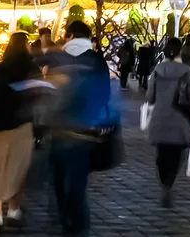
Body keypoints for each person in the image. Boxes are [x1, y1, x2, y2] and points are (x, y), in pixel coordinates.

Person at [44, 18, 115, 234]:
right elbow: (105, 94)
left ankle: (62, 214)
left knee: (57, 175)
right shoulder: (96, 60)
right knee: (77, 179)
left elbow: (46, 91)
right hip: (85, 129)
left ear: (70, 36)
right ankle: (78, 221)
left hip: (58, 127)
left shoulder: (58, 58)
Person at [0, 32, 47, 230]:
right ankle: (14, 211)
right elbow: (37, 101)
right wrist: (39, 130)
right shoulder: (30, 70)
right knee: (18, 171)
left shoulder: (1, 71)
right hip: (21, 128)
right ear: (25, 45)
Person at [145, 37, 190, 207]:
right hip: (180, 119)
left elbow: (150, 97)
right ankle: (169, 184)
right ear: (179, 52)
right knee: (177, 155)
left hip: (159, 119)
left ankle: (164, 184)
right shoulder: (185, 72)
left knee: (162, 155)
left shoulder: (157, 70)